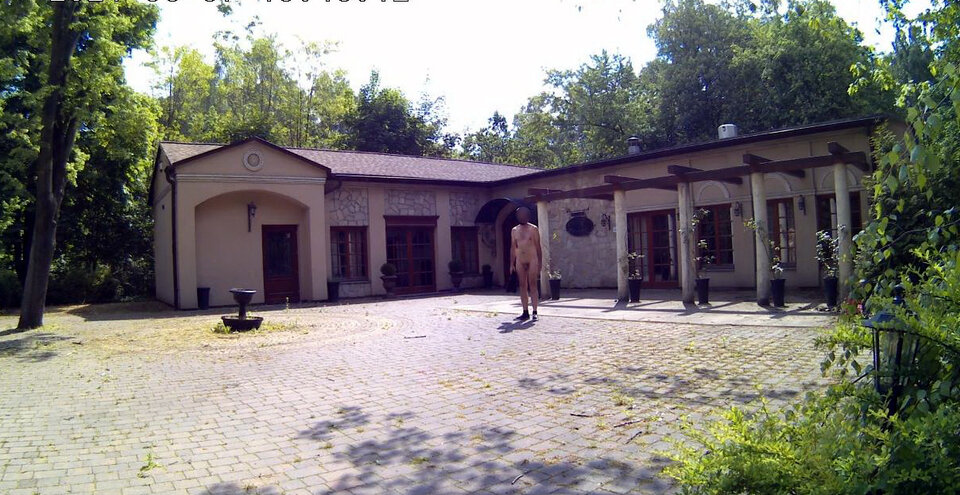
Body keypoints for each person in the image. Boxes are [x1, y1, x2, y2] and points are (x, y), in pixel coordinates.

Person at [510, 206, 542, 321]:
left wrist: (540, 262)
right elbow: (513, 247)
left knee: (533, 285)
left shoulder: (533, 229)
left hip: (532, 259)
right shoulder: (514, 230)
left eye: (523, 214)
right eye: (519, 215)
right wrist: (511, 263)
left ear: (527, 216)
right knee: (522, 286)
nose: (521, 217)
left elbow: (538, 246)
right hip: (520, 260)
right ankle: (525, 311)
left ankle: (535, 311)